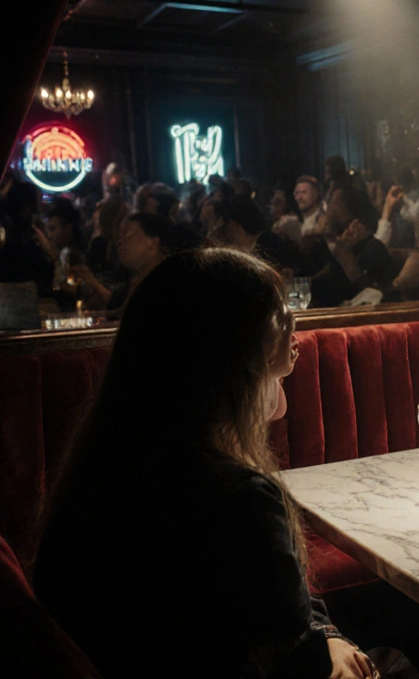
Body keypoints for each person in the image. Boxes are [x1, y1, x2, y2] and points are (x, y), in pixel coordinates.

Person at [33, 249, 380, 679]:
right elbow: (288, 657)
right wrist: (326, 648)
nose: (295, 325)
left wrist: (325, 635)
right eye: (280, 314)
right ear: (232, 347)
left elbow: (282, 612)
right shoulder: (238, 497)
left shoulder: (115, 459)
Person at [70, 213, 193, 312]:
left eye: (127, 236)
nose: (119, 242)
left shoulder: (169, 283)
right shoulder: (133, 280)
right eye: (120, 236)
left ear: (153, 242)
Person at [298, 186, 394, 308]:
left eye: (335, 200)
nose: (329, 206)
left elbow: (374, 298)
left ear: (352, 210)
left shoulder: (372, 248)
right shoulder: (321, 246)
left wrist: (345, 256)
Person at [211, 192, 301, 275]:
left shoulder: (270, 248)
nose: (216, 231)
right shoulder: (247, 249)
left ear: (232, 225)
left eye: (220, 225)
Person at [0, 181, 55, 289]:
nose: (36, 211)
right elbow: (45, 273)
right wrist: (48, 252)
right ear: (26, 208)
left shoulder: (12, 233)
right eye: (35, 206)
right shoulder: (17, 239)